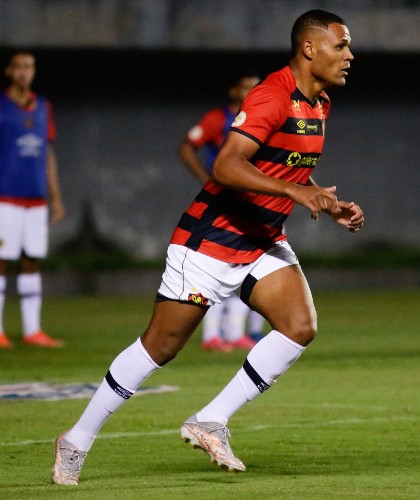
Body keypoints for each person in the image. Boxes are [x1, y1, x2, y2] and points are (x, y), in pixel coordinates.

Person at [52, 9, 362, 485]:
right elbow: (226, 167)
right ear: (309, 48)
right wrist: (298, 195)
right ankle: (76, 440)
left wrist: (326, 200)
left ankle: (210, 419)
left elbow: (287, 167)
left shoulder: (319, 103)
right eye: (340, 46)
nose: (349, 55)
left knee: (299, 325)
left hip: (261, 240)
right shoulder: (271, 96)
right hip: (211, 240)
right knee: (161, 346)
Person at [178, 70, 265, 352]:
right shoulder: (218, 119)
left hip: (258, 204)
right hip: (225, 205)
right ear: (234, 92)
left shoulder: (265, 118)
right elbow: (187, 147)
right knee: (217, 269)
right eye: (246, 87)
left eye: (256, 87)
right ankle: (212, 336)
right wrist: (207, 179)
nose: (251, 92)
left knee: (248, 269)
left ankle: (236, 333)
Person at [0, 51, 65, 349]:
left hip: (35, 200)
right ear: (9, 72)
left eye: (29, 67)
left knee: (31, 261)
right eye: (19, 67)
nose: (24, 72)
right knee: (2, 261)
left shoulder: (43, 107)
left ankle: (32, 330)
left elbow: (47, 153)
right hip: (6, 197)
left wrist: (55, 196)